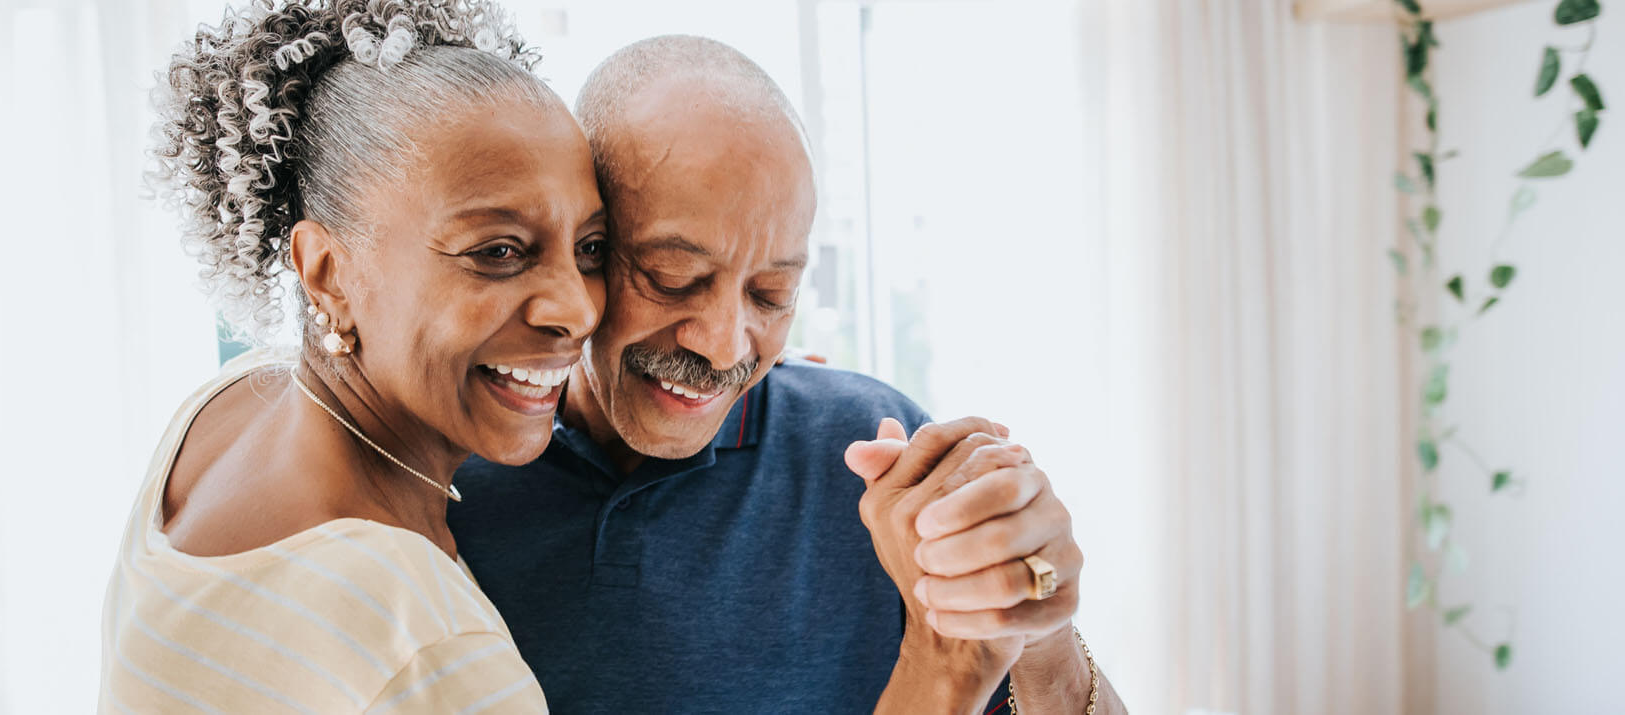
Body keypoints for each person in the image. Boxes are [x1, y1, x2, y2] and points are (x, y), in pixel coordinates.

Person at [448, 36, 1128, 713]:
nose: (721, 348)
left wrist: (1046, 641)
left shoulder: (876, 454)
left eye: (770, 294)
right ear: (583, 245)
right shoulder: (447, 470)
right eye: (673, 277)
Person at [98, 1, 607, 711]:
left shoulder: (221, 409)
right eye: (497, 251)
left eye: (590, 249)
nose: (577, 309)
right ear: (326, 273)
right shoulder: (431, 643)